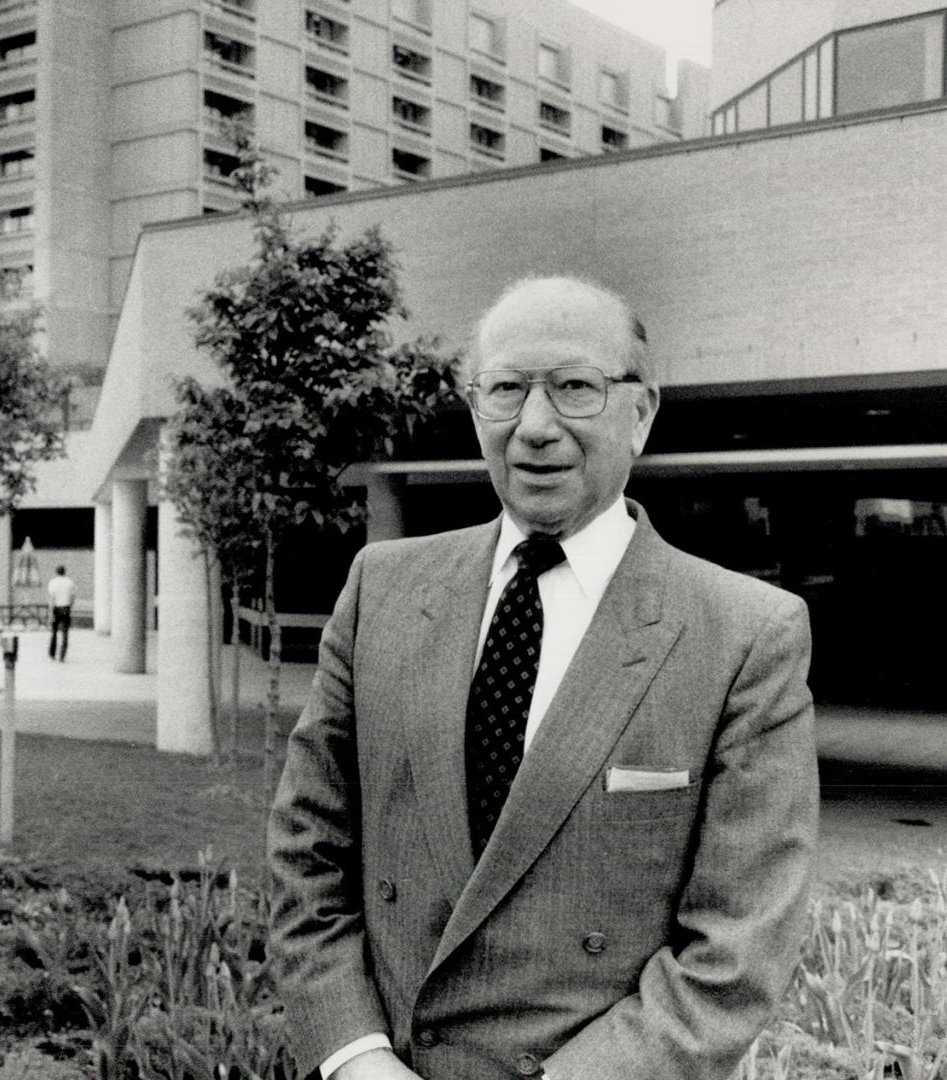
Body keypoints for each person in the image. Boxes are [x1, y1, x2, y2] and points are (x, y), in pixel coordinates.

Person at [268, 276, 818, 1080]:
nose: (534, 428)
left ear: (642, 413)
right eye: (505, 390)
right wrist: (357, 1059)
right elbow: (306, 854)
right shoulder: (380, 588)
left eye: (573, 389)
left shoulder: (744, 635)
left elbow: (736, 951)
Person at [46, 565, 75, 661]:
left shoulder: (53, 582)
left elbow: (51, 598)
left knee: (54, 631)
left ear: (56, 572)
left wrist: (50, 612)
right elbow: (72, 596)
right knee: (65, 632)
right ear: (64, 572)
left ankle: (52, 653)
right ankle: (62, 654)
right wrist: (70, 606)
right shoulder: (69, 582)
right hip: (66, 608)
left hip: (56, 608)